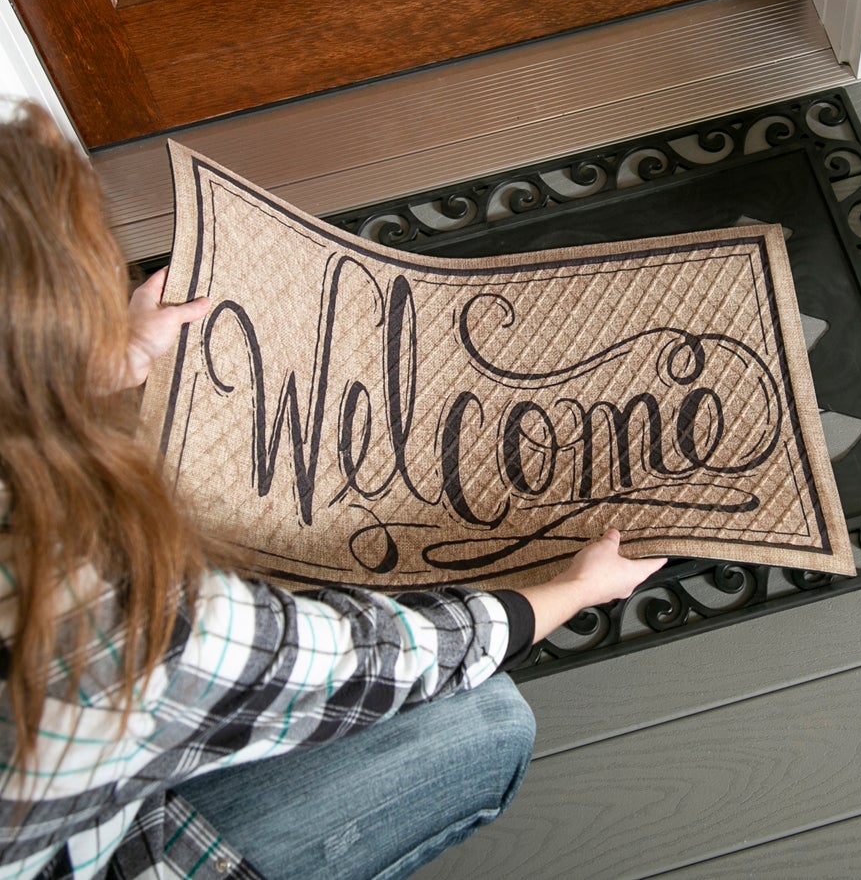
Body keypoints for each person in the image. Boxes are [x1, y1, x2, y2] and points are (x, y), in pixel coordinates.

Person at [0, 102, 666, 880]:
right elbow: (385, 663)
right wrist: (569, 593)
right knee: (484, 718)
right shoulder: (128, 620)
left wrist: (97, 366)